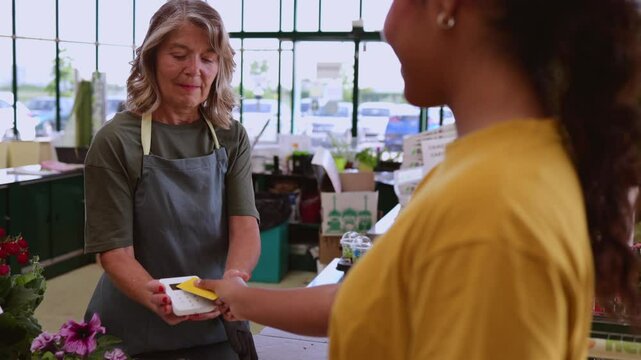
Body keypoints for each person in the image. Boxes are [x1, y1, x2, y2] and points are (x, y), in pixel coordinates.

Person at [196, 0, 641, 359]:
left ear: (446, 6)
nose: (387, 26)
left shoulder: (493, 204)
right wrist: (242, 297)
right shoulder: (497, 169)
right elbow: (369, 301)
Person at [83, 1, 260, 358]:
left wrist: (235, 279)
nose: (194, 69)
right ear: (151, 59)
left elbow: (244, 225)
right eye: (179, 55)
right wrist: (157, 296)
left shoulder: (230, 136)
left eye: (208, 58)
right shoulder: (116, 141)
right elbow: (114, 252)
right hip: (134, 330)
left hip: (217, 322)